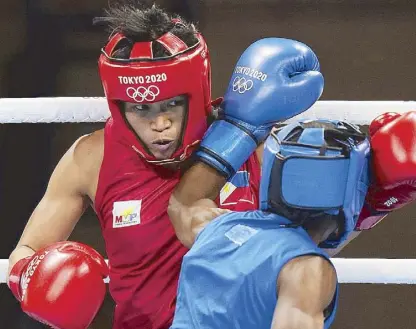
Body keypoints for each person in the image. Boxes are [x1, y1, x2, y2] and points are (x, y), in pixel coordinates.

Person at [6, 2, 324, 329]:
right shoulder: (92, 158)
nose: (159, 123)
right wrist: (31, 278)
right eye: (141, 108)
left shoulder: (252, 144)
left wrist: (379, 191)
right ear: (119, 106)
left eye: (172, 104)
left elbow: (315, 248)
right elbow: (27, 250)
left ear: (196, 92)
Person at [169, 111, 416, 329]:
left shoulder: (217, 227)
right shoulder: (307, 270)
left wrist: (241, 124)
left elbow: (184, 204)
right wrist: (376, 202)